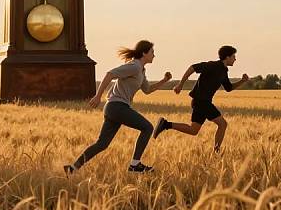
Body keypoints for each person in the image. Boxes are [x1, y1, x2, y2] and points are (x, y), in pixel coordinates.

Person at [64, 40, 172, 174]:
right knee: (148, 127)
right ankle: (135, 164)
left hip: (114, 108)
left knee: (102, 144)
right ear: (144, 53)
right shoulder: (134, 66)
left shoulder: (141, 70)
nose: (154, 55)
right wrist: (98, 96)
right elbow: (110, 74)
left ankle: (72, 168)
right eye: (152, 52)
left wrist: (164, 81)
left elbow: (148, 89)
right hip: (117, 107)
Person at [153, 45, 249, 153]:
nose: (235, 59)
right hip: (201, 101)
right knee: (223, 124)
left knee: (193, 130)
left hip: (202, 102)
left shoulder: (223, 71)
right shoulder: (212, 65)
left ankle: (165, 124)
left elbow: (229, 88)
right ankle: (216, 152)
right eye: (233, 57)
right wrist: (180, 84)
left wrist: (242, 81)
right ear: (227, 57)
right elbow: (193, 67)